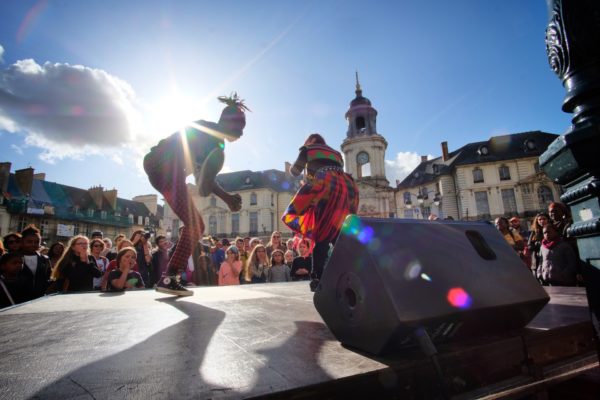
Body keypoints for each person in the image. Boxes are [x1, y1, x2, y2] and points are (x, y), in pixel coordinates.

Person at [144, 94, 248, 296]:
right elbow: (203, 179)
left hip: (162, 170)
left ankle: (169, 277)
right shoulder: (212, 139)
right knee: (196, 225)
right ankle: (169, 277)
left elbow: (203, 178)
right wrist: (226, 197)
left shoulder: (209, 134)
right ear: (228, 123)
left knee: (195, 225)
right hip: (166, 169)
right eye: (239, 128)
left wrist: (223, 196)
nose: (241, 134)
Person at [282, 133, 359, 291]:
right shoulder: (336, 154)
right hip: (347, 189)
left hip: (326, 188)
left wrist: (295, 165)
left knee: (322, 236)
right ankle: (348, 275)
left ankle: (317, 278)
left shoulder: (307, 149)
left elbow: (295, 171)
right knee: (338, 235)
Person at [20, 225, 51, 298]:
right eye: (29, 241)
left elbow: (48, 278)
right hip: (18, 299)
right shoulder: (13, 258)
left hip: (39, 299)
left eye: (37, 242)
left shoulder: (45, 259)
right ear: (22, 241)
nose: (33, 244)